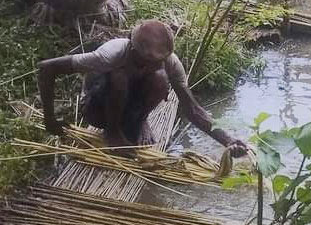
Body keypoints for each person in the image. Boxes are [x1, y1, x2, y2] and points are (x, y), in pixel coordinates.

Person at [38, 20, 249, 153]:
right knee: (119, 77)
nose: (149, 67)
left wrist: (228, 140)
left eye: (156, 63)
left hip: (132, 110)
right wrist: (49, 118)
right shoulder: (111, 54)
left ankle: (139, 122)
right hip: (99, 109)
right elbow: (47, 68)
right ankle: (113, 133)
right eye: (143, 62)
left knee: (160, 79)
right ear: (131, 47)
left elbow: (191, 108)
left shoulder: (170, 63)